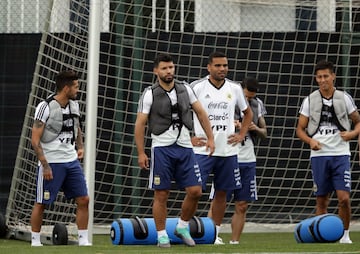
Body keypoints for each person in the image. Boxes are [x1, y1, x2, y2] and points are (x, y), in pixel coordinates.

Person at [134, 53, 215, 248]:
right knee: (161, 193)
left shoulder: (185, 88)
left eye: (171, 67)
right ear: (156, 71)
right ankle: (161, 234)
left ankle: (182, 226)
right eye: (164, 68)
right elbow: (140, 124)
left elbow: (201, 113)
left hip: (185, 148)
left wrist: (210, 138)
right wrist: (141, 152)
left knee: (195, 191)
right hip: (162, 148)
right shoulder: (149, 93)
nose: (169, 71)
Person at [190, 51, 253, 244]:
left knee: (222, 192)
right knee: (195, 191)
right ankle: (185, 226)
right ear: (209, 67)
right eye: (218, 66)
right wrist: (190, 136)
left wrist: (241, 134)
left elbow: (248, 113)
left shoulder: (234, 88)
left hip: (227, 151)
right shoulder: (196, 87)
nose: (222, 69)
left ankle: (213, 234)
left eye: (225, 65)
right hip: (202, 150)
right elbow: (184, 112)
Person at [296, 60, 360, 244]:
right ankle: (321, 236)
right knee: (322, 200)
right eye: (319, 77)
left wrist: (352, 133)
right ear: (316, 79)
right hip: (319, 155)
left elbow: (358, 121)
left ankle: (345, 235)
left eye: (326, 76)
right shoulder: (310, 100)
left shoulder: (344, 98)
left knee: (344, 198)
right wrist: (310, 141)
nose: (323, 80)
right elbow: (300, 129)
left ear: (333, 76)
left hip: (341, 154)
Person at [30, 70, 91, 247]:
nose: (78, 90)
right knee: (42, 202)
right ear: (66, 88)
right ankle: (35, 240)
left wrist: (80, 146)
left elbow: (76, 126)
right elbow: (35, 140)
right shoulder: (45, 106)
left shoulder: (74, 105)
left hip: (71, 161)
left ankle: (83, 240)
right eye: (76, 87)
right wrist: (45, 165)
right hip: (52, 162)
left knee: (84, 199)